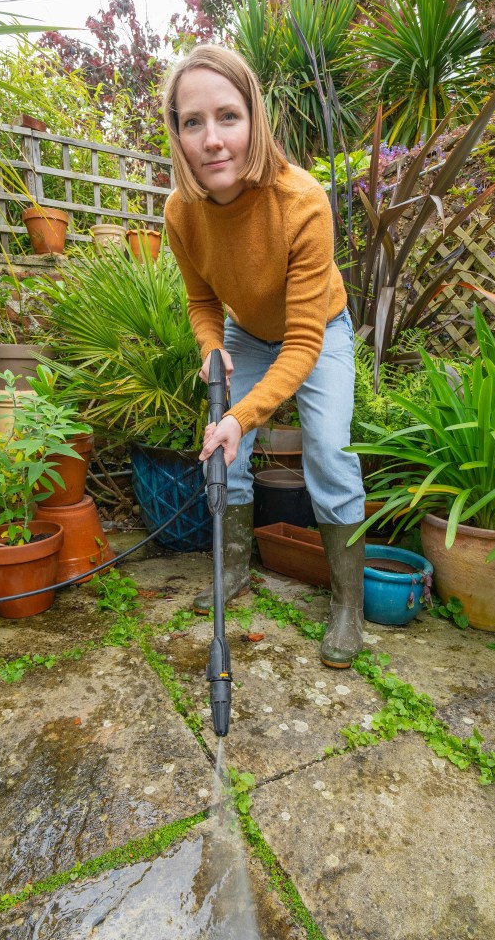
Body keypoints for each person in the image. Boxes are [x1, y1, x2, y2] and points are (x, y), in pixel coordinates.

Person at [161, 44, 366, 669]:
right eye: (193, 122)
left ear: (255, 119)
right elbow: (202, 301)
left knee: (328, 451)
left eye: (228, 116)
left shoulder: (300, 201)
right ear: (176, 133)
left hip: (319, 329)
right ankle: (235, 572)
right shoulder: (181, 211)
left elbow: (303, 341)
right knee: (227, 451)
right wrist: (213, 347)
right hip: (247, 333)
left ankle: (348, 603)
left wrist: (241, 414)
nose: (212, 139)